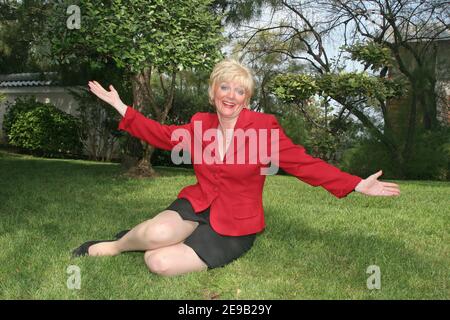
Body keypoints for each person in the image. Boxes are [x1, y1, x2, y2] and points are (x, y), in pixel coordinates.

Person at [72, 59, 400, 276]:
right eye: (225, 87)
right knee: (157, 233)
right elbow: (162, 135)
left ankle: (154, 242)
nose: (231, 95)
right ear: (214, 92)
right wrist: (120, 106)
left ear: (247, 98)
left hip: (236, 222)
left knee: (157, 262)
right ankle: (115, 245)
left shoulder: (264, 128)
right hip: (198, 202)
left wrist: (356, 183)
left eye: (240, 90)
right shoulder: (200, 124)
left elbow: (303, 163)